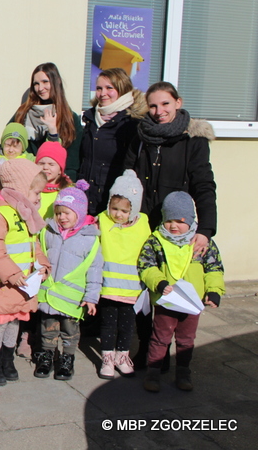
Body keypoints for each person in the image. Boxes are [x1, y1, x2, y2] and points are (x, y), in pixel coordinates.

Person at [140, 192, 224, 392]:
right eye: (169, 220)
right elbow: (146, 266)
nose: (174, 225)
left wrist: (214, 291)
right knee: (160, 337)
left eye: (180, 220)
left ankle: (183, 373)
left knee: (186, 340)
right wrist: (158, 283)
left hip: (192, 303)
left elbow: (214, 268)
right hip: (166, 301)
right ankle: (153, 373)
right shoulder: (156, 241)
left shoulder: (203, 243)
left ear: (191, 221)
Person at [123, 81, 216, 258]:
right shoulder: (140, 138)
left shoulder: (193, 140)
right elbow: (126, 180)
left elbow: (204, 185)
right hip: (141, 226)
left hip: (175, 229)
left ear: (178, 103)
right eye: (153, 106)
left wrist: (205, 230)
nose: (159, 112)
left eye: (165, 104)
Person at [0, 159, 49, 386]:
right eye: (35, 191)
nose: (39, 197)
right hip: (1, 282)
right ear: (20, 188)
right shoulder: (0, 213)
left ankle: (8, 360)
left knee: (14, 321)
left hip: (21, 282)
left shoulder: (24, 212)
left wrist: (42, 265)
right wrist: (11, 273)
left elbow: (33, 244)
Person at [34, 180, 103, 381]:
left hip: (73, 298)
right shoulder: (48, 232)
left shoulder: (90, 238)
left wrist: (91, 297)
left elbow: (94, 270)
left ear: (79, 214)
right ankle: (46, 356)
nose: (62, 217)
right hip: (49, 294)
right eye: (58, 213)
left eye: (67, 213)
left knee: (70, 331)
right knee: (48, 327)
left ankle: (67, 358)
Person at [97, 170, 151, 379]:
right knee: (108, 324)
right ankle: (107, 358)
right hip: (108, 286)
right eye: (114, 208)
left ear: (134, 210)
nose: (118, 214)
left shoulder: (142, 225)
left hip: (132, 289)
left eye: (124, 210)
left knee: (127, 326)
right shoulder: (102, 220)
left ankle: (122, 356)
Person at [78, 68, 147, 215]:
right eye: (99, 88)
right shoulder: (91, 119)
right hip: (85, 200)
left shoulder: (131, 123)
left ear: (122, 89)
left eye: (109, 88)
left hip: (113, 204)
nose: (103, 94)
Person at [10, 63, 83, 180]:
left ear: (57, 81)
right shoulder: (23, 113)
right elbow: (8, 145)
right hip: (26, 180)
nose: (40, 88)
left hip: (56, 184)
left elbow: (73, 161)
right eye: (36, 84)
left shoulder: (69, 118)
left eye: (45, 82)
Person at [35, 142, 72, 220]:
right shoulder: (30, 187)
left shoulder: (68, 191)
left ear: (60, 169)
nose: (45, 167)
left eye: (51, 164)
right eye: (41, 163)